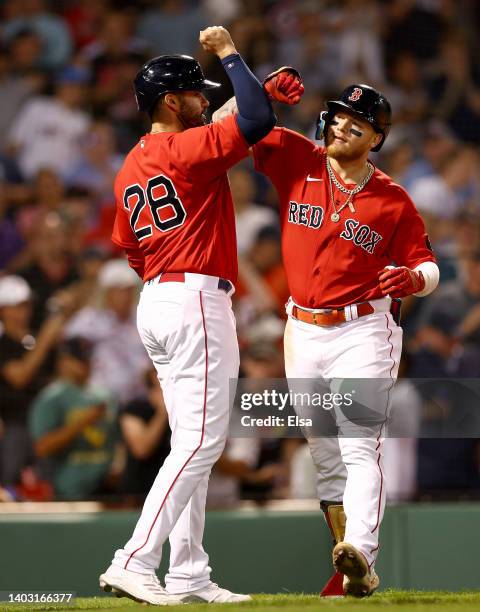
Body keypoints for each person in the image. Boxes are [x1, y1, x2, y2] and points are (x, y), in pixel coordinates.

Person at [215, 81, 439, 596]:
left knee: (360, 446)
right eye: (336, 117)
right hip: (302, 330)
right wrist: (257, 90)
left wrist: (413, 280)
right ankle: (348, 574)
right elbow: (226, 127)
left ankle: (361, 548)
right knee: (323, 452)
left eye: (355, 123)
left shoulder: (392, 199)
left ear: (376, 139)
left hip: (363, 329)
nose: (341, 126)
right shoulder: (297, 156)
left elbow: (429, 266)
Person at [99, 26, 277, 605]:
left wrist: (260, 88)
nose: (205, 98)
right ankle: (134, 559)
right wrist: (230, 54)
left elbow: (128, 247)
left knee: (187, 442)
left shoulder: (134, 163)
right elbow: (253, 121)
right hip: (195, 299)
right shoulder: (184, 150)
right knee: (201, 442)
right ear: (171, 101)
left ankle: (189, 574)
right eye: (196, 93)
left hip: (158, 298)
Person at [29, 336, 117, 500]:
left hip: (106, 487)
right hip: (67, 489)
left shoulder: (105, 396)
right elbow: (42, 447)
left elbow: (116, 439)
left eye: (87, 358)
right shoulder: (51, 398)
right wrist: (83, 422)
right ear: (63, 361)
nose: (84, 363)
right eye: (78, 358)